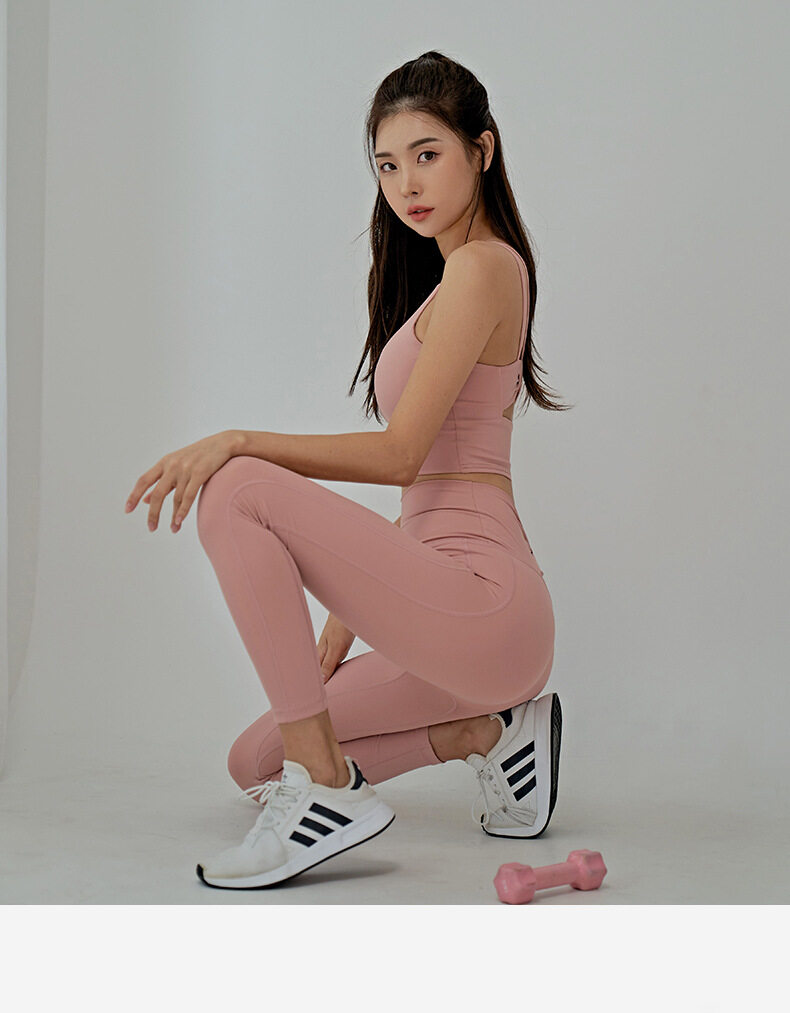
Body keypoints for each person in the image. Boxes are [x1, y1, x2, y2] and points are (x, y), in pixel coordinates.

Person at [125, 50, 573, 890]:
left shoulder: (485, 266)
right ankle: (489, 734)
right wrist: (345, 616)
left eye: (427, 154)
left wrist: (238, 438)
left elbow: (402, 455)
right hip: (444, 613)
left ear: (482, 149)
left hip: (487, 603)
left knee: (237, 488)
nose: (407, 183)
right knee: (257, 761)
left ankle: (327, 788)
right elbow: (426, 482)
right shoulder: (449, 279)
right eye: (387, 164)